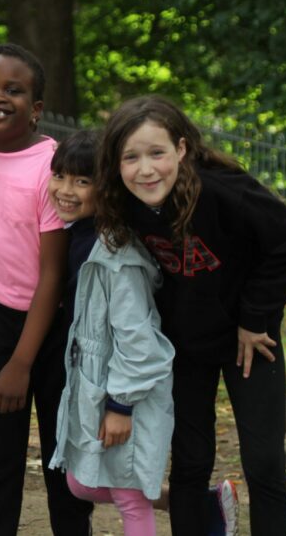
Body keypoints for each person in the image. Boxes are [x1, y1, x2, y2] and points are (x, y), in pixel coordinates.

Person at [95, 95, 286, 535]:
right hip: (186, 343)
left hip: (249, 339)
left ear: (183, 149)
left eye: (157, 153)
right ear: (116, 164)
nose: (146, 169)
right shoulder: (124, 203)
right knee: (190, 460)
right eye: (130, 157)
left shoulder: (223, 191)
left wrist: (256, 318)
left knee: (263, 461)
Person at [0, 42, 93, 535]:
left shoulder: (49, 169)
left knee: (62, 455)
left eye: (13, 91)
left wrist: (21, 363)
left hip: (56, 324)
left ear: (36, 109)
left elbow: (53, 276)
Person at [47, 130, 175, 535]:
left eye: (83, 181)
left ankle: (174, 502)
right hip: (93, 385)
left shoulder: (117, 257)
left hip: (125, 392)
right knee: (79, 482)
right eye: (61, 176)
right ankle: (189, 501)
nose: (67, 190)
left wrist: (121, 406)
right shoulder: (76, 236)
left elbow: (141, 343)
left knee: (128, 498)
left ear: (108, 187)